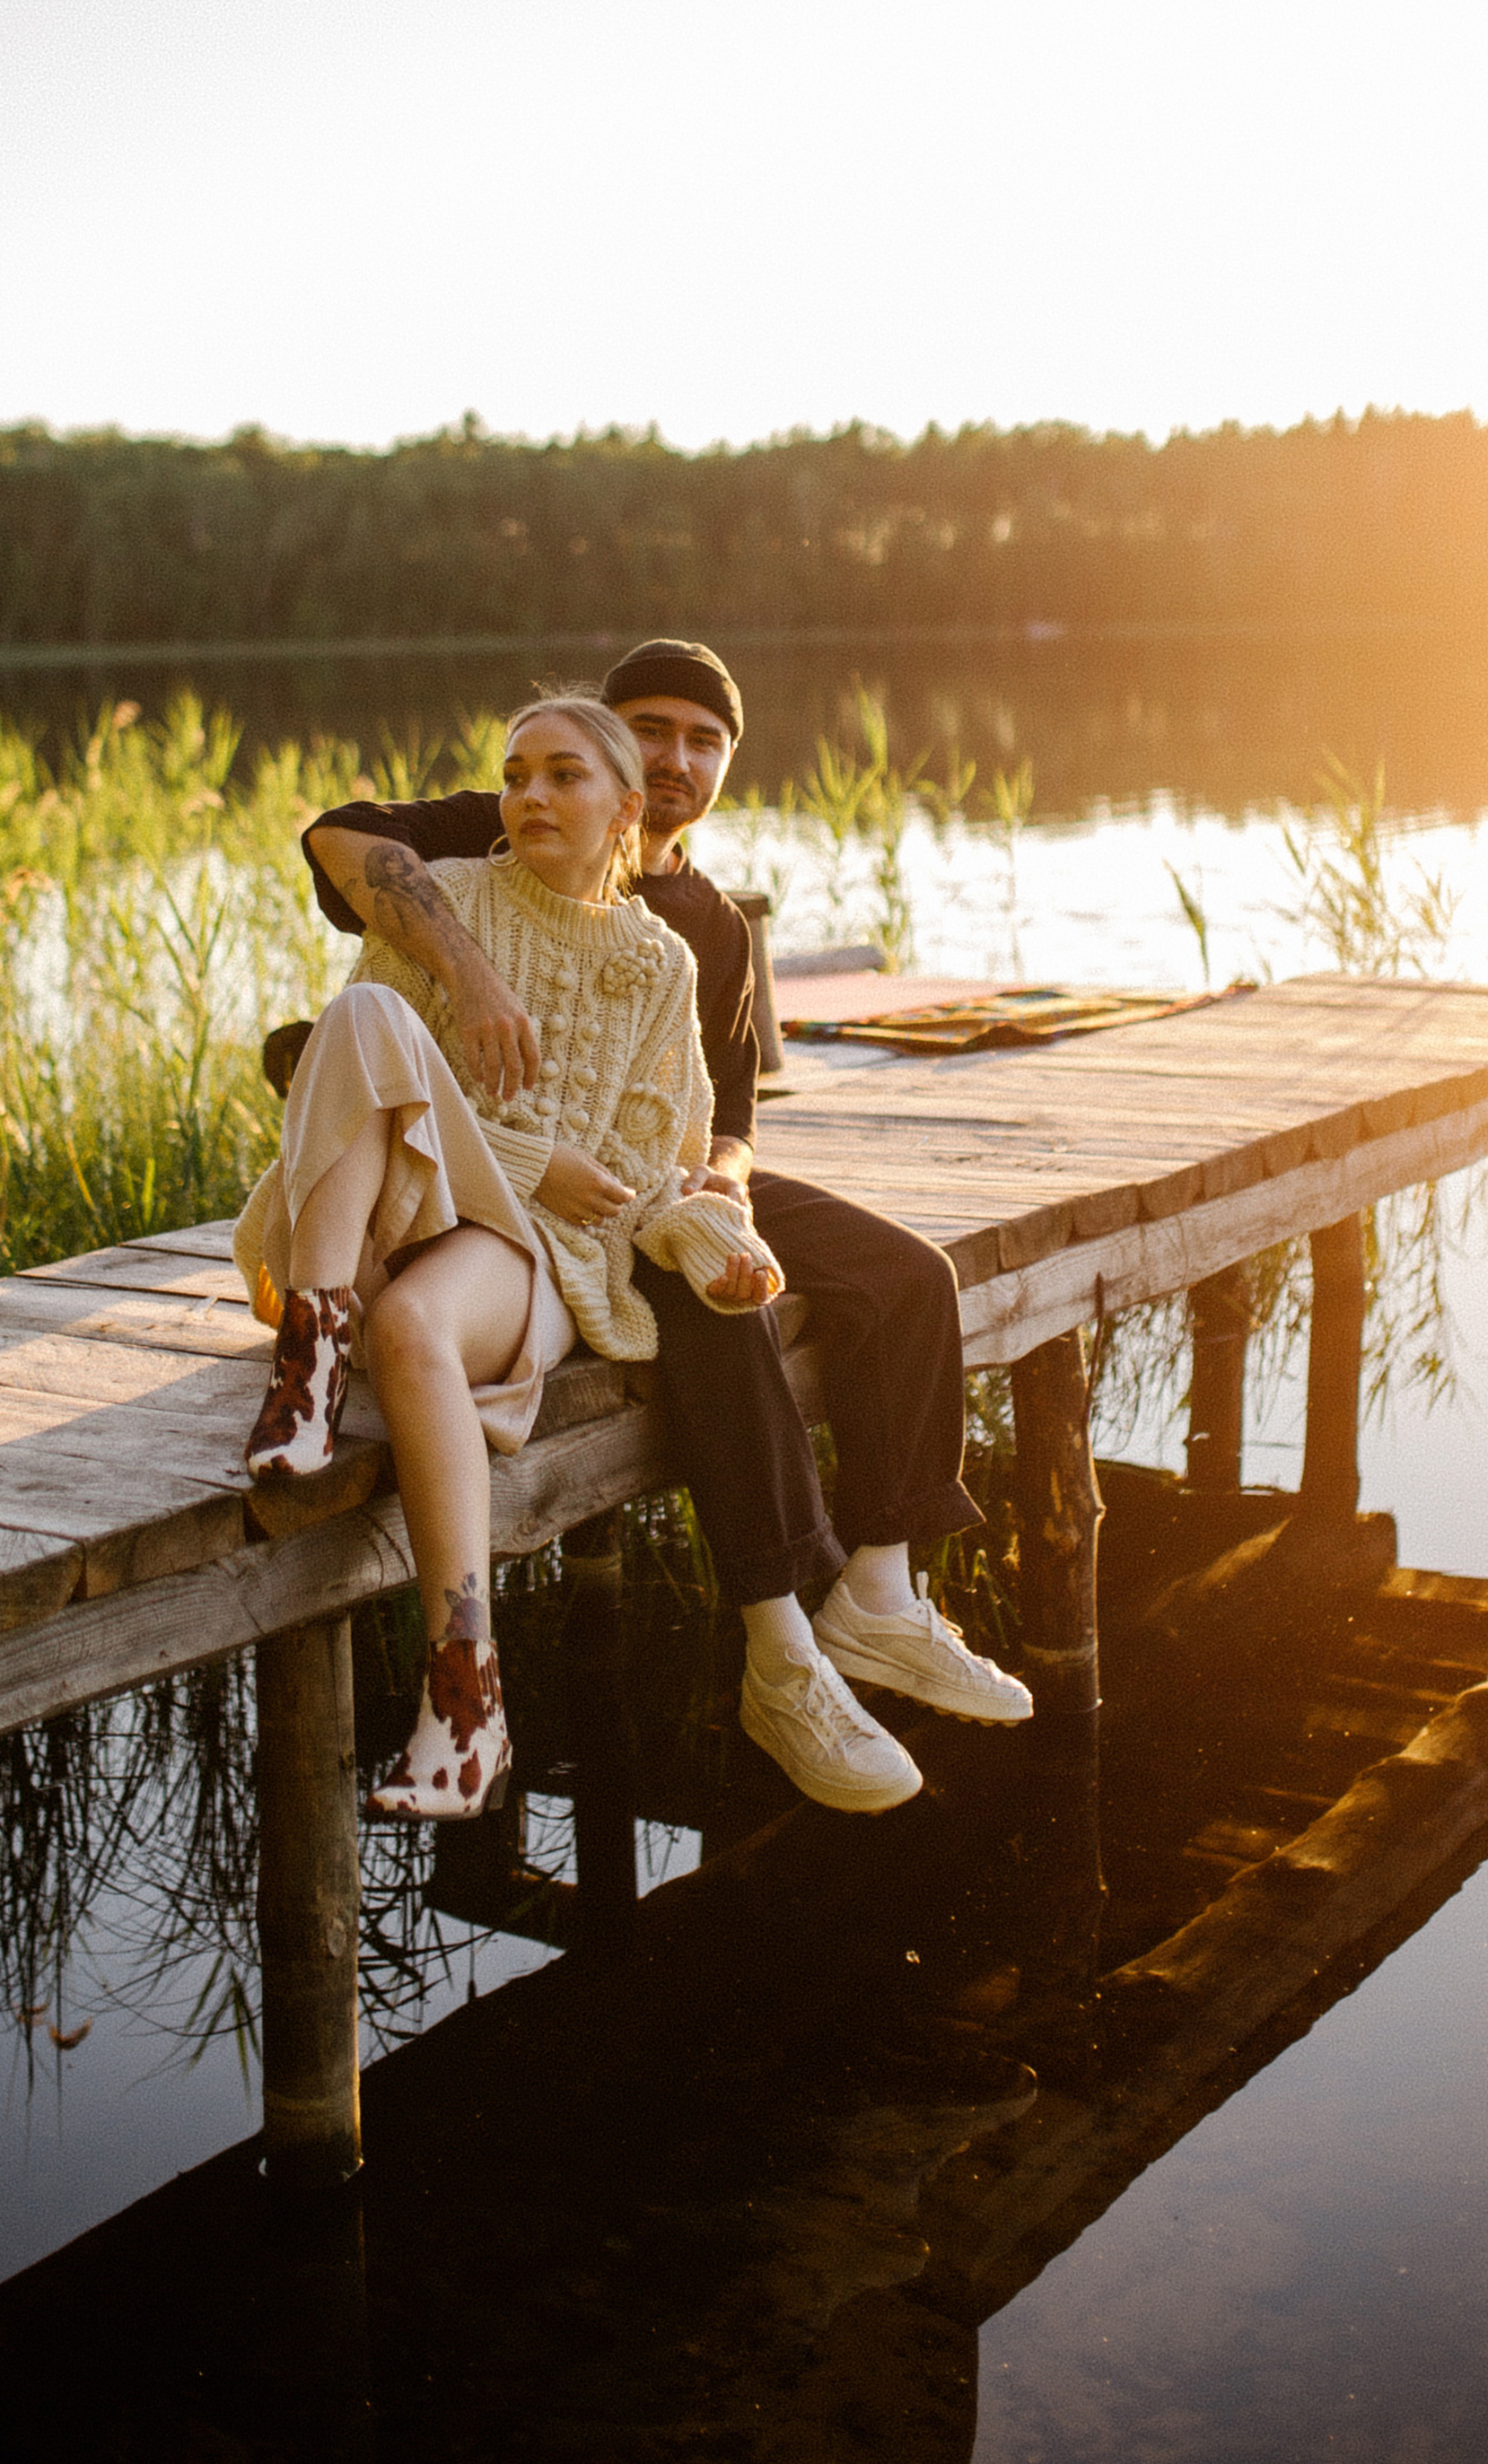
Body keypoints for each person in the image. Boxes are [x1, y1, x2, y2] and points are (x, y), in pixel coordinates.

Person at [303, 636, 1032, 1822]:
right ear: (607, 744)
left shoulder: (713, 927)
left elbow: (727, 1117)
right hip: (527, 1180)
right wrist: (474, 975)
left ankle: (882, 1592)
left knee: (909, 1275)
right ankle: (780, 1647)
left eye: (704, 740)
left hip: (659, 1165)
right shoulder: (516, 823)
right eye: (649, 728)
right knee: (704, 1299)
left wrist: (721, 1187)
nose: (676, 756)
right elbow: (340, 841)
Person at [234, 693, 779, 1822]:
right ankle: (313, 1355)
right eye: (516, 773)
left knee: (414, 1327)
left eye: (562, 776)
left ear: (624, 809)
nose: (529, 794)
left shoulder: (663, 963)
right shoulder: (446, 900)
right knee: (362, 1021)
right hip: (390, 1213)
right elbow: (365, 1083)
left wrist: (719, 1244)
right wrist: (530, 1158)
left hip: (540, 1252)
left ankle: (466, 1696)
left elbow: (644, 1172)